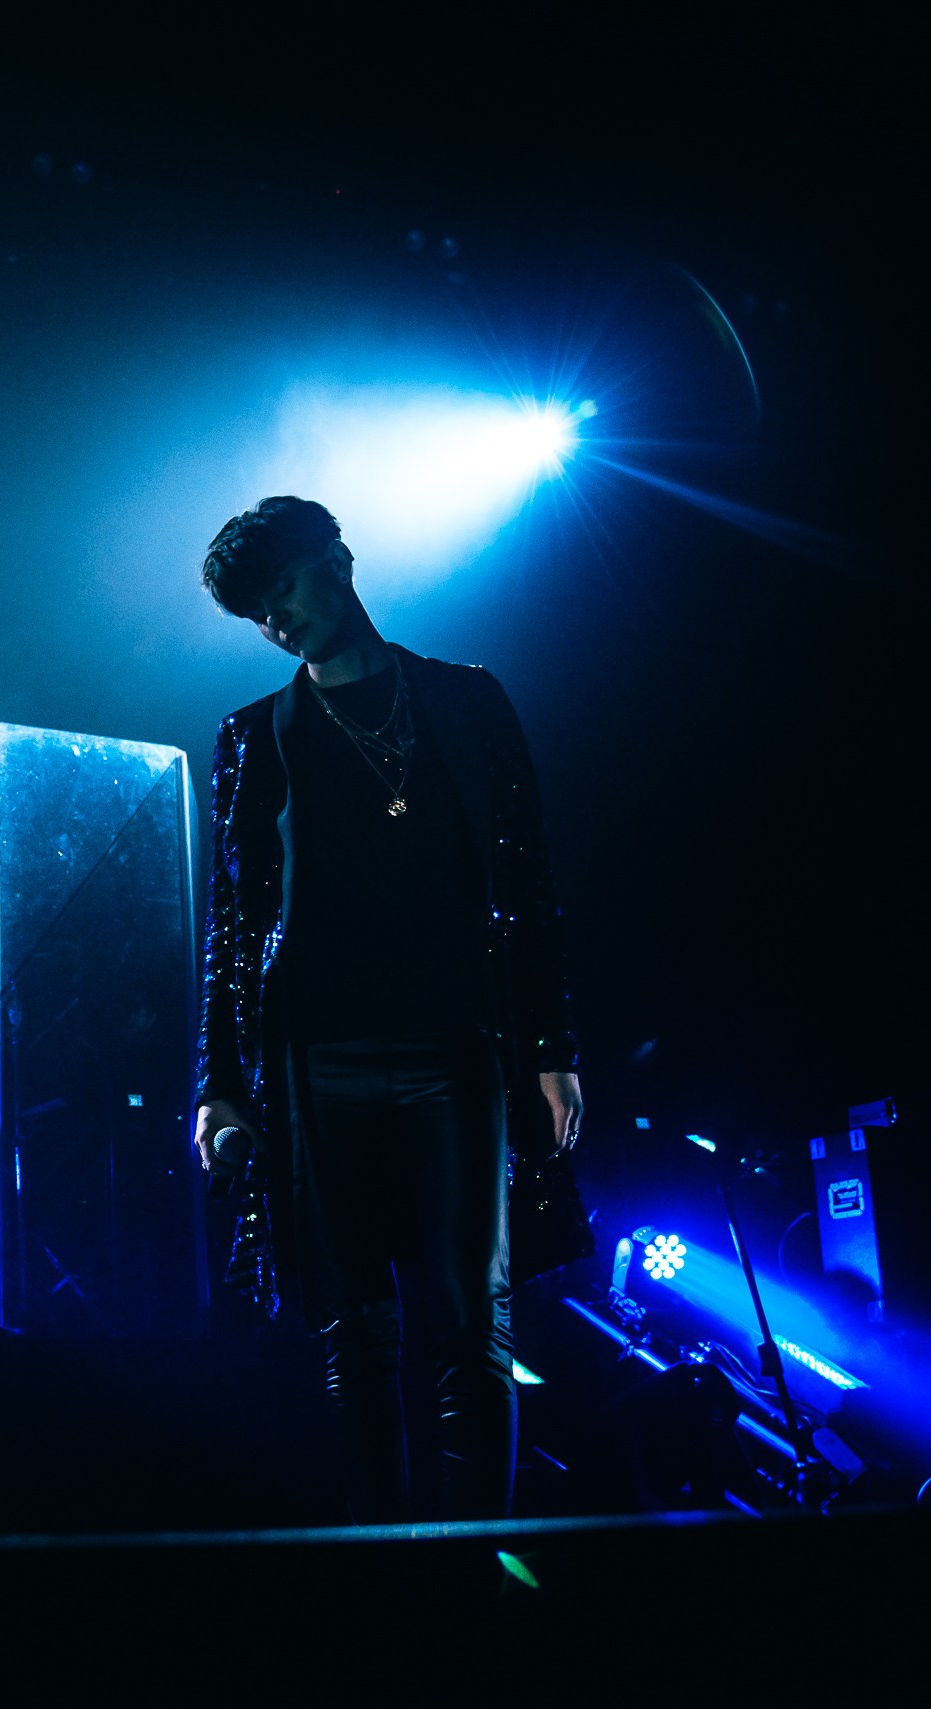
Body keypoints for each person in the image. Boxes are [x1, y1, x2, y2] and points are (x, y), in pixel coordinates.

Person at [193, 496, 581, 1522]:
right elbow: (229, 927)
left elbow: (527, 881)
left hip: (454, 1049)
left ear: (337, 562)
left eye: (281, 588)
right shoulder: (255, 735)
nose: (276, 619)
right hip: (314, 1061)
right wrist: (220, 1088)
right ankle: (382, 1566)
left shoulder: (465, 699)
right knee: (353, 1328)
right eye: (256, 613)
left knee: (470, 1323)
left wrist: (550, 1048)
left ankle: (472, 1571)